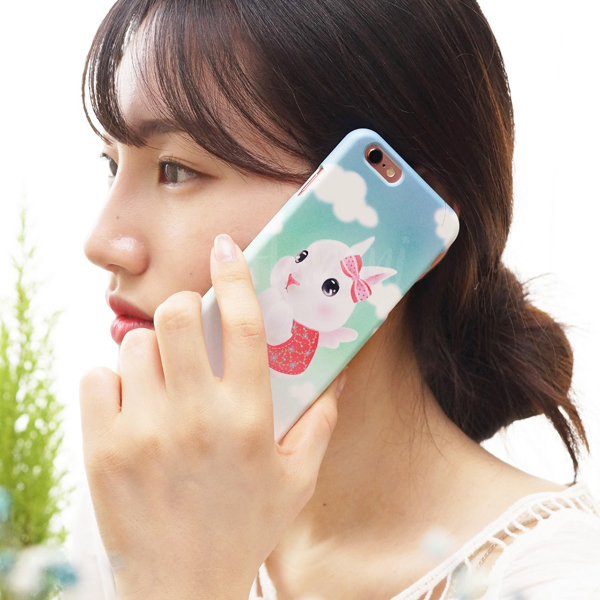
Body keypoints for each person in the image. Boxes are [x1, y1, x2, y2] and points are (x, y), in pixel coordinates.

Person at [63, 1, 600, 599]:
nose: (102, 242)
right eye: (111, 163)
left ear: (402, 223)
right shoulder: (137, 500)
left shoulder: (553, 581)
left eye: (176, 169)